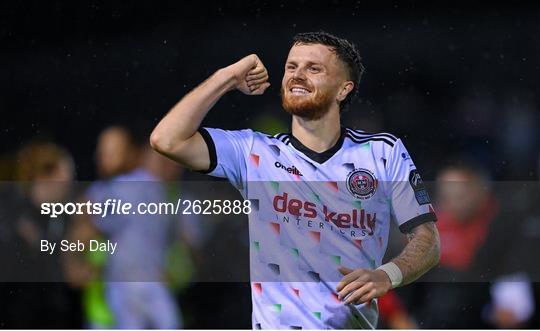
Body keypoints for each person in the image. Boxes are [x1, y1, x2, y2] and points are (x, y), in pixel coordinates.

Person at [150, 31, 440, 329]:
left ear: (343, 89)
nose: (298, 75)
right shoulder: (254, 152)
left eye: (313, 68)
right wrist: (227, 77)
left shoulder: (381, 152)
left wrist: (387, 275)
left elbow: (427, 240)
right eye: (292, 67)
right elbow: (166, 140)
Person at [66, 126, 180, 329]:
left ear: (130, 153)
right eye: (101, 151)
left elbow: (88, 229)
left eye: (113, 151)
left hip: (141, 284)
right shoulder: (105, 190)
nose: (103, 157)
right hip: (119, 286)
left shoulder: (138, 185)